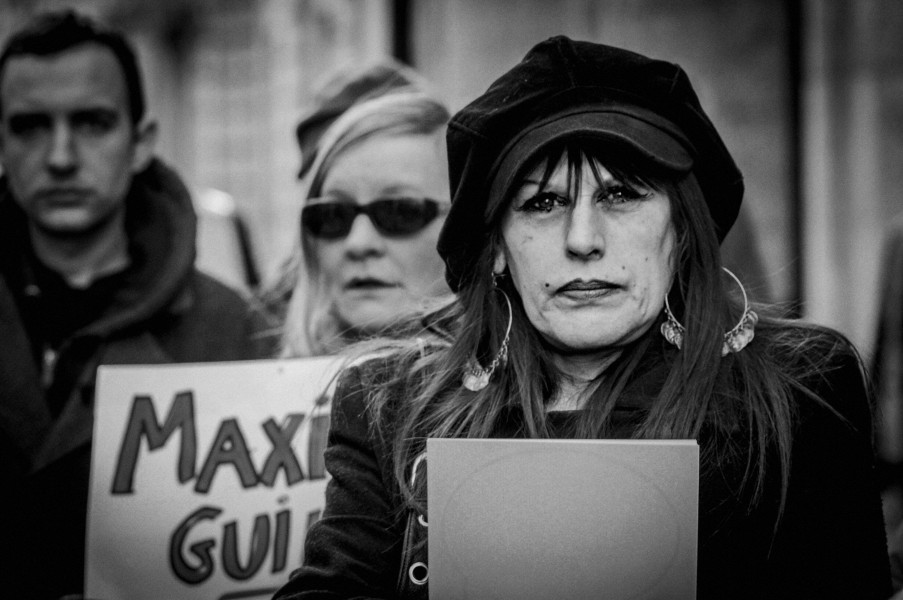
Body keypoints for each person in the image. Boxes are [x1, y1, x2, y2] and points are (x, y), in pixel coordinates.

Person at [273, 36, 891, 599]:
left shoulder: (799, 388)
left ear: (683, 229)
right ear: (495, 251)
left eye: (621, 194)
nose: (582, 238)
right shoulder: (387, 404)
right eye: (542, 202)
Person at [0, 10, 272, 599]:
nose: (62, 156)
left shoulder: (235, 330)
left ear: (142, 141)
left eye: (93, 122)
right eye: (29, 126)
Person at [273, 87, 453, 356]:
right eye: (333, 214)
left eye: (399, 211)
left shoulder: (523, 392)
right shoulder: (265, 386)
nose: (358, 243)